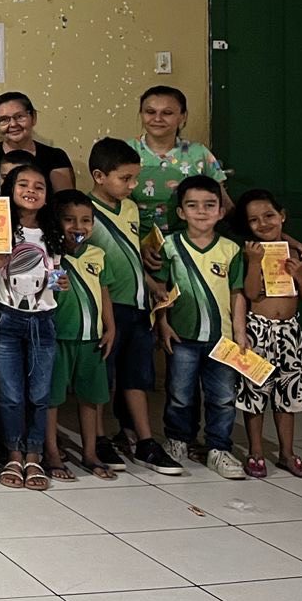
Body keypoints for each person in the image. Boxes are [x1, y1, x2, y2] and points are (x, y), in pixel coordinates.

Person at [87, 138, 181, 476]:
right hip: (105, 308)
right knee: (102, 377)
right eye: (125, 178)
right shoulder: (84, 212)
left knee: (137, 376)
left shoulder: (130, 208)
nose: (132, 185)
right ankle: (98, 438)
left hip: (138, 305)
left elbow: (132, 253)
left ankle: (144, 441)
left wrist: (152, 286)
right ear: (99, 176)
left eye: (135, 178)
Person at [157, 176, 248, 480]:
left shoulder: (231, 250)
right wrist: (163, 324)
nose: (201, 212)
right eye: (193, 205)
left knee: (222, 397)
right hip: (182, 337)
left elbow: (237, 293)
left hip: (222, 340)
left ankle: (218, 448)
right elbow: (161, 291)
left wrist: (240, 332)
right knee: (180, 393)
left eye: (209, 205)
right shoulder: (169, 246)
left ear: (221, 211)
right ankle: (178, 439)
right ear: (181, 211)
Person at [233, 189, 302, 479]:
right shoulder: (249, 252)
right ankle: (256, 452)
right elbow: (251, 293)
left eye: (269, 215)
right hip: (258, 330)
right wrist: (255, 263)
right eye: (254, 220)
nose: (263, 223)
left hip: (290, 332)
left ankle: (287, 453)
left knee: (288, 394)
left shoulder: (298, 253)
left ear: (282, 216)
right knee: (254, 393)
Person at [0, 165, 63, 490]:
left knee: (39, 393)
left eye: (39, 186)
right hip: (7, 318)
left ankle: (34, 455)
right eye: (23, 184)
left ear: (47, 197)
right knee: (10, 394)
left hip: (44, 320)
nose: (31, 190)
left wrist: (61, 282)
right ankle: (14, 454)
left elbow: (57, 272)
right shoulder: (1, 226)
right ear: (10, 189)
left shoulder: (52, 232)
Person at [43, 190, 118, 481]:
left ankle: (90, 453)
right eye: (69, 220)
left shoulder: (98, 255)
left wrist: (110, 327)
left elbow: (104, 292)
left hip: (92, 340)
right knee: (52, 399)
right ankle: (52, 453)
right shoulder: (50, 255)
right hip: (58, 338)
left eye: (86, 220)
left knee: (91, 398)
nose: (78, 226)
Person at [132, 85, 229, 237]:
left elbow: (223, 203)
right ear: (141, 114)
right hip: (134, 240)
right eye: (150, 112)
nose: (157, 119)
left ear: (183, 116)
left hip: (190, 242)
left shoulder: (198, 153)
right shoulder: (125, 151)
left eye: (167, 113)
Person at [0, 93, 75, 192]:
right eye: (4, 120)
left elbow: (65, 199)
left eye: (19, 117)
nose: (13, 124)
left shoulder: (55, 157)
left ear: (33, 117)